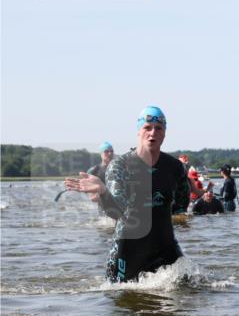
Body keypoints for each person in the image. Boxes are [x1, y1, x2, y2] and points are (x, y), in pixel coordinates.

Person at [63, 106, 190, 281]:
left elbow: (181, 206)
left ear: (164, 133)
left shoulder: (176, 168)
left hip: (165, 247)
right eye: (147, 127)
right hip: (128, 251)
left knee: (189, 293)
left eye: (158, 128)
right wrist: (103, 191)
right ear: (139, 131)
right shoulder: (120, 166)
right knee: (119, 296)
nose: (152, 133)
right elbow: (116, 211)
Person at [87, 141, 114, 210]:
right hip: (103, 204)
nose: (110, 153)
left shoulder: (119, 168)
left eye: (111, 151)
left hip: (117, 201)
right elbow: (89, 189)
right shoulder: (94, 171)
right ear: (101, 154)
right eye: (106, 151)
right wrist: (92, 195)